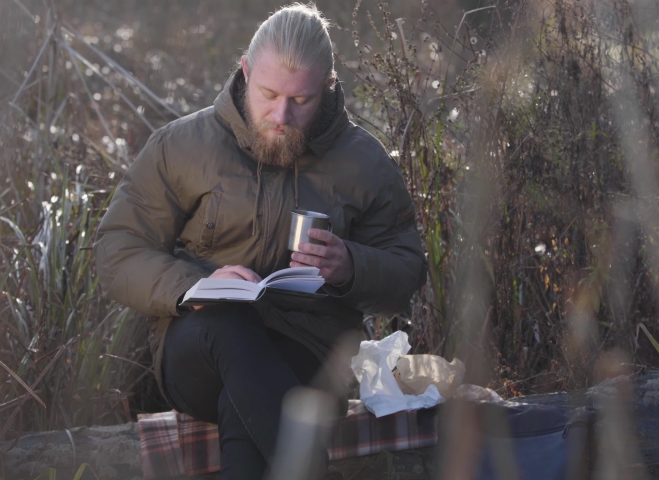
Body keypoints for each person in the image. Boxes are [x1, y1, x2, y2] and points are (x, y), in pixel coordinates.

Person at [95, 3, 426, 479]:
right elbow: (116, 250)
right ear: (246, 70)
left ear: (328, 86)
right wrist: (192, 285)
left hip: (312, 351)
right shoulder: (182, 145)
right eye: (269, 94)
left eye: (301, 100)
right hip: (199, 347)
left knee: (249, 399)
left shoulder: (364, 162)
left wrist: (350, 265)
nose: (282, 114)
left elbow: (406, 267)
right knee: (232, 328)